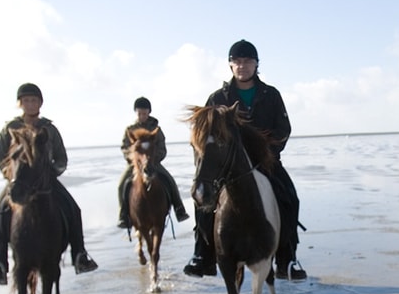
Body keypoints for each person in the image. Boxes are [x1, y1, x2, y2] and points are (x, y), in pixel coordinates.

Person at [183, 39, 307, 280]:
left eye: (248, 61)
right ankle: (202, 255)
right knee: (203, 200)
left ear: (256, 65)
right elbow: (203, 135)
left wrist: (266, 154)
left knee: (290, 198)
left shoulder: (271, 95)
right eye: (237, 62)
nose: (242, 66)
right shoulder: (217, 98)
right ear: (230, 66)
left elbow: (283, 129)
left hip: (265, 163)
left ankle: (288, 258)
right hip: (226, 168)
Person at [0, 83, 99, 284]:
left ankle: (80, 255)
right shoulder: (10, 129)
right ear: (20, 103)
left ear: (40, 103)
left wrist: (51, 173)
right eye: (26, 100)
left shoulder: (49, 129)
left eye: (34, 100)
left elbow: (61, 158)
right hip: (19, 182)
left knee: (73, 209)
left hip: (46, 182)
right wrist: (10, 175)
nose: (30, 104)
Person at [117, 97, 189, 229]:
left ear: (149, 112)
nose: (142, 116)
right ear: (136, 112)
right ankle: (123, 215)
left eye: (144, 113)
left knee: (170, 180)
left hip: (153, 163)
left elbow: (162, 148)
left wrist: (153, 160)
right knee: (121, 184)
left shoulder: (156, 129)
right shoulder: (130, 129)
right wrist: (133, 160)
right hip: (135, 165)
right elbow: (125, 148)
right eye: (139, 113)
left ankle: (180, 209)